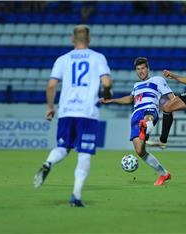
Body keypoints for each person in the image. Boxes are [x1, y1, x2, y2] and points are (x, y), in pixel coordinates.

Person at [33, 25, 113, 207]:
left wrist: (50, 107)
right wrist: (107, 93)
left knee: (63, 147)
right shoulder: (97, 57)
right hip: (87, 113)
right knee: (83, 154)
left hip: (66, 111)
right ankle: (76, 196)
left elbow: (51, 86)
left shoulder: (63, 59)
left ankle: (48, 163)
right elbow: (107, 82)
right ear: (89, 40)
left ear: (72, 39)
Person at [100, 57, 174, 186]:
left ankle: (145, 127)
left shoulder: (157, 80)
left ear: (148, 68)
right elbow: (130, 99)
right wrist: (111, 100)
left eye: (143, 68)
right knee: (140, 151)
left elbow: (172, 97)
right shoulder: (136, 86)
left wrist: (175, 107)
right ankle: (164, 174)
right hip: (136, 114)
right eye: (138, 69)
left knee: (147, 118)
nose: (141, 71)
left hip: (150, 109)